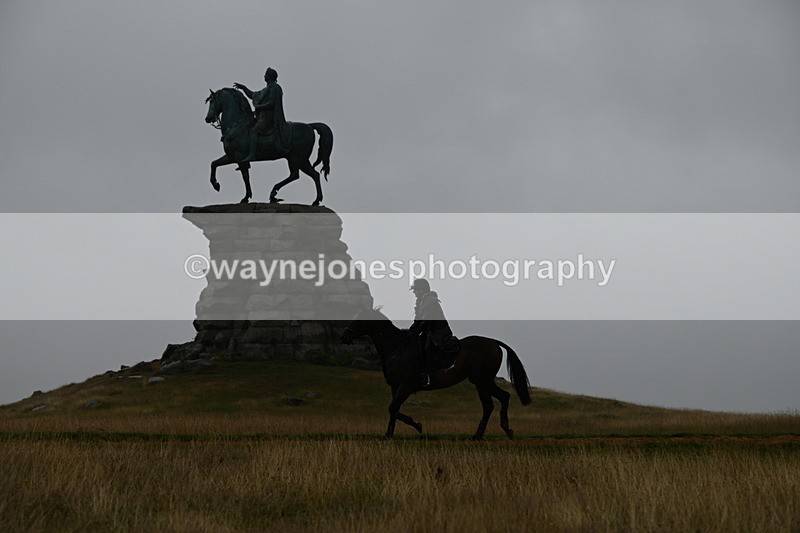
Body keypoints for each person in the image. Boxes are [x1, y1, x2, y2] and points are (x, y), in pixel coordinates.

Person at [233, 67, 292, 164]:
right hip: (262, 118)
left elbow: (272, 103)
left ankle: (252, 154)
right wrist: (243, 88)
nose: (264, 76)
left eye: (265, 74)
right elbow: (253, 95)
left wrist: (259, 107)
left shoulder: (274, 88)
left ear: (269, 76)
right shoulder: (265, 90)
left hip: (269, 118)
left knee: (254, 130)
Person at [408, 279, 459, 387]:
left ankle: (430, 377)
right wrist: (410, 331)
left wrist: (415, 332)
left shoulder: (430, 301)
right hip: (429, 332)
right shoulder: (420, 301)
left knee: (427, 350)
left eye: (415, 290)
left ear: (422, 290)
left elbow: (427, 321)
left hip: (438, 333)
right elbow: (418, 321)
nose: (414, 292)